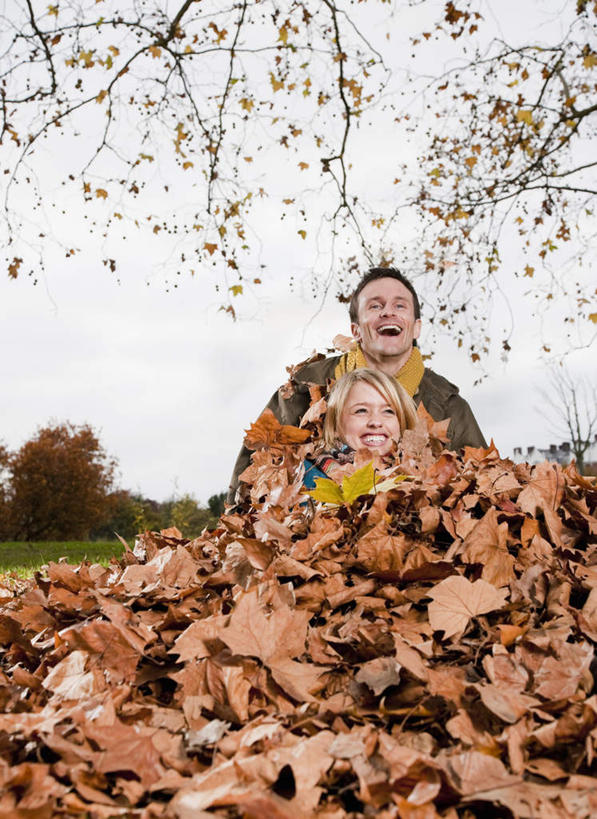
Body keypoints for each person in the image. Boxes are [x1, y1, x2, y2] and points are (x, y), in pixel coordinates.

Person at [228, 266, 487, 502]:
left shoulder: (449, 406)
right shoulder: (305, 387)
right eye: (375, 306)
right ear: (356, 330)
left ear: (416, 327)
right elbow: (251, 479)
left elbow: (484, 488)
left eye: (400, 305)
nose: (388, 311)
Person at [303, 368, 417, 488]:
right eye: (361, 410)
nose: (376, 422)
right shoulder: (303, 478)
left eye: (388, 411)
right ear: (335, 425)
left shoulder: (426, 477)